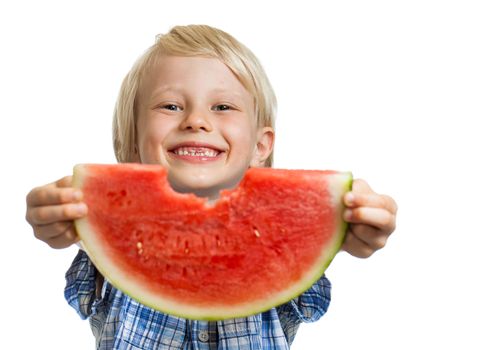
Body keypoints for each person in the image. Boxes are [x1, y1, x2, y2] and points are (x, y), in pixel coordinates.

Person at [25, 24, 397, 349]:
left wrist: (346, 218)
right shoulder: (104, 246)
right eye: (170, 106)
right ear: (129, 144)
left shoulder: (277, 244)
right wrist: (67, 223)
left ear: (261, 146)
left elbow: (308, 267)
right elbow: (83, 252)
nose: (197, 120)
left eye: (223, 107)